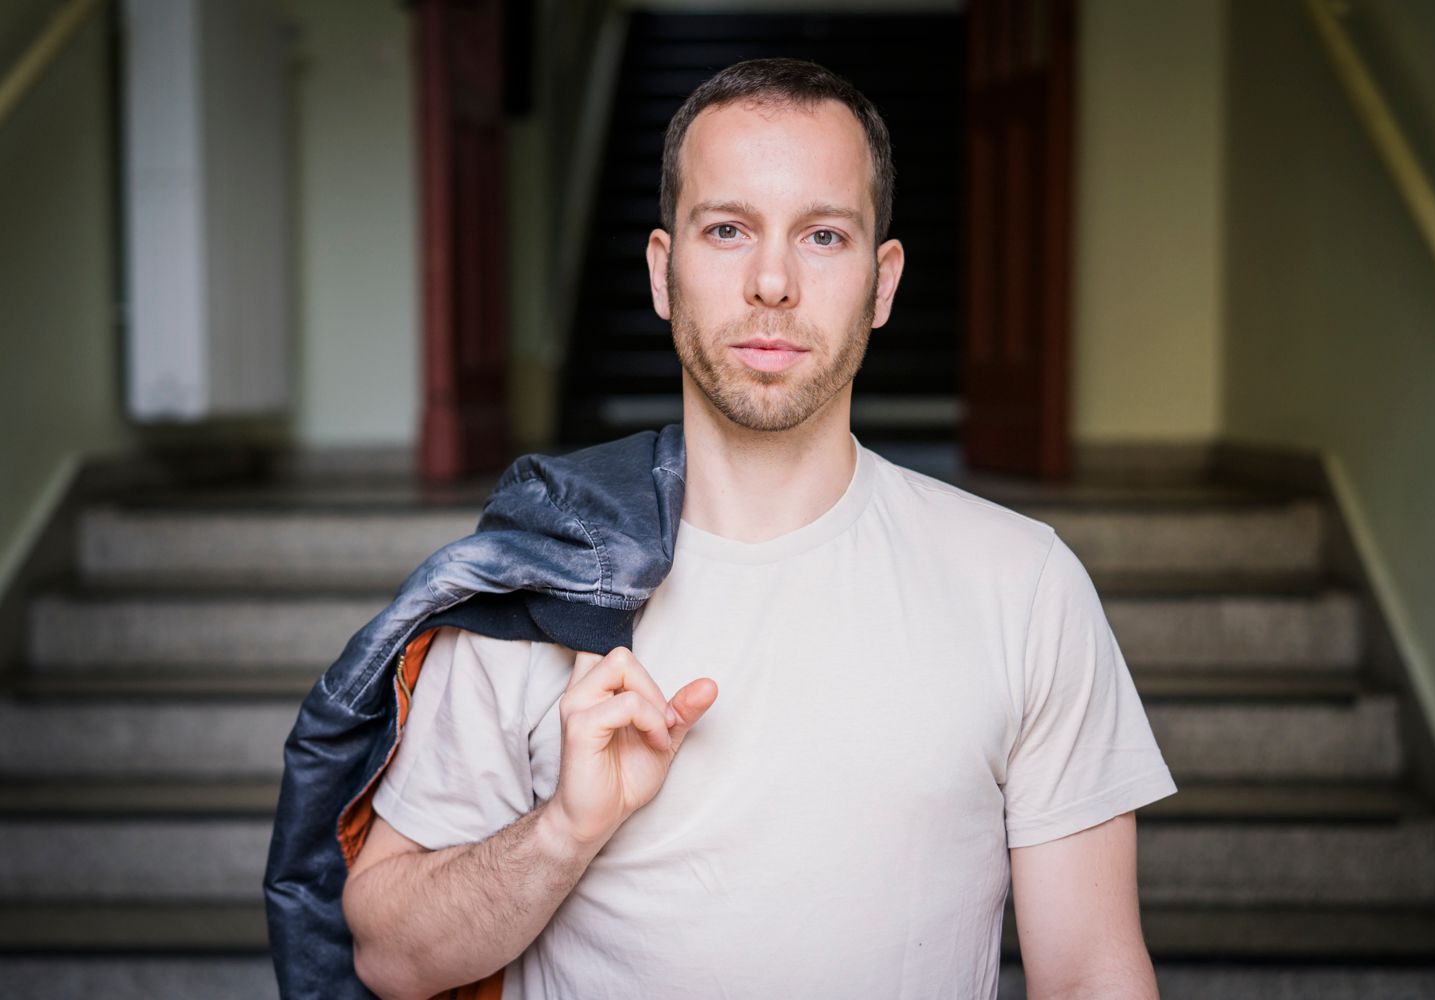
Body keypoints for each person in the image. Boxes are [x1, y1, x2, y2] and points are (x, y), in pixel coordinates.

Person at [341, 58, 1176, 1000]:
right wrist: (563, 831)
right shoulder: (546, 574)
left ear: (881, 283)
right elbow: (389, 958)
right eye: (727, 230)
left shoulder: (1021, 583)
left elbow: (1089, 974)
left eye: (822, 235)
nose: (771, 282)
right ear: (662, 272)